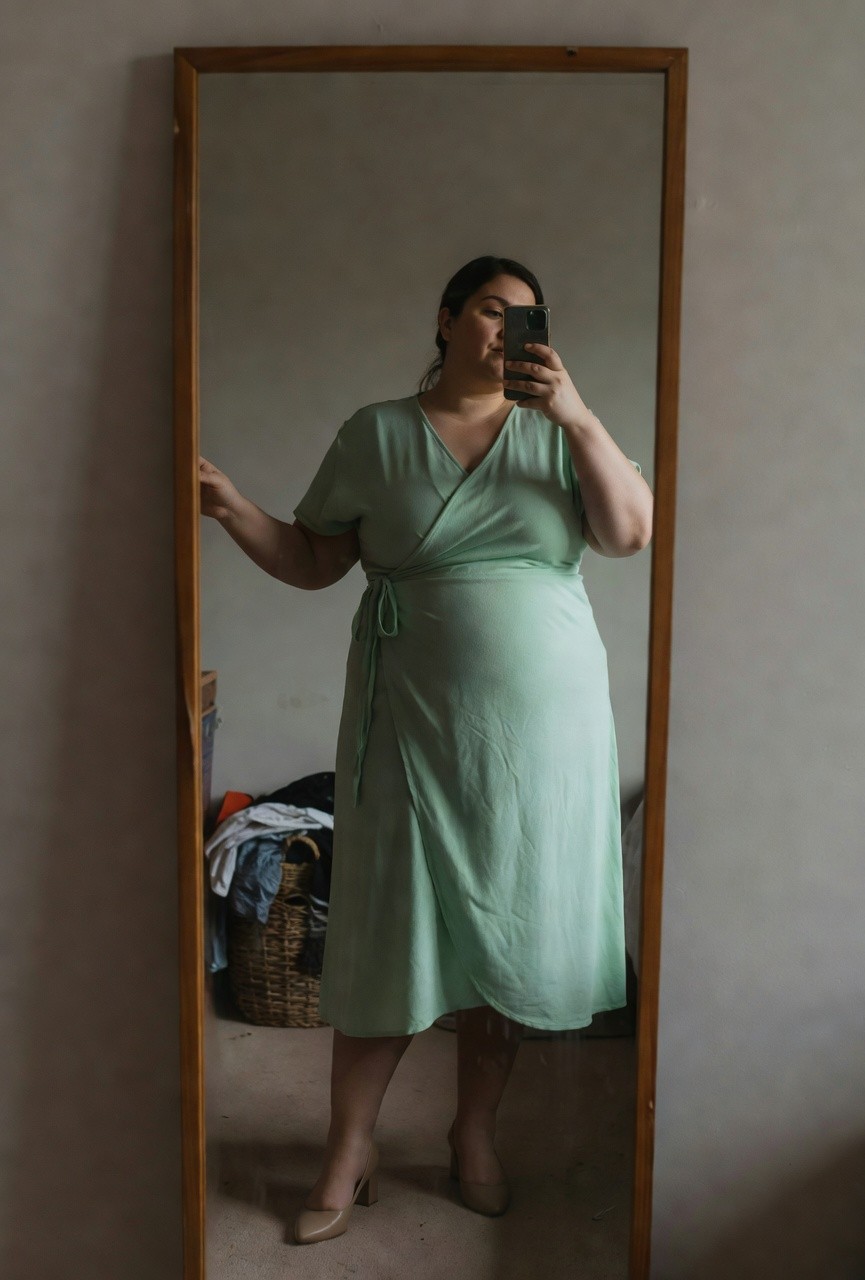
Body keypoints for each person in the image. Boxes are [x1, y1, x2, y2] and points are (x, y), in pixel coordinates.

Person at [199, 255, 654, 1244]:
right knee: (387, 940)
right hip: (406, 719)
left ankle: (473, 1133)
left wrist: (576, 416)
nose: (507, 330)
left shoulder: (558, 431)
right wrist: (235, 508)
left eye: (527, 317)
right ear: (446, 317)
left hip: (542, 734)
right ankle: (346, 1148)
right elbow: (318, 557)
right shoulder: (375, 434)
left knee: (509, 933)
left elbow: (627, 533)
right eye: (492, 309)